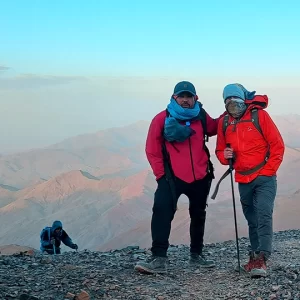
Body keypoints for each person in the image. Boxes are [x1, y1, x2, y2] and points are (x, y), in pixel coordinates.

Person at [134, 81, 227, 274]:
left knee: (198, 214)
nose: (185, 100)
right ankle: (159, 258)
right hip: (171, 177)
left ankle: (196, 255)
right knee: (162, 212)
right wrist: (161, 176)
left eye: (189, 96)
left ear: (195, 98)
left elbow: (214, 127)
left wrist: (234, 107)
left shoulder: (200, 115)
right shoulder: (161, 119)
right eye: (181, 96)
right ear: (174, 98)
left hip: (201, 175)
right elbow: (152, 150)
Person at [215, 83, 285, 278]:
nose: (233, 107)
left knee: (263, 214)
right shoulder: (225, 123)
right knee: (251, 218)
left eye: (236, 102)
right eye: (228, 103)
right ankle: (254, 256)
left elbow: (277, 146)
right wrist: (224, 155)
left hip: (264, 177)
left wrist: (267, 172)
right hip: (242, 178)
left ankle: (262, 258)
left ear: (243, 100)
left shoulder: (259, 116)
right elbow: (220, 151)